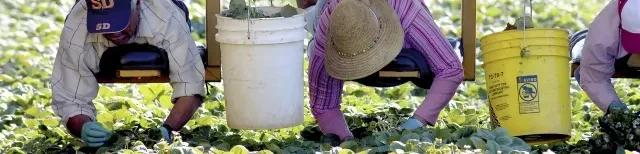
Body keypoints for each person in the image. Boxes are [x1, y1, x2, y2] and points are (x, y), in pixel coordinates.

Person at [304, 0, 463, 142]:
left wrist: (417, 122)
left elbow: (450, 69)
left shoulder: (408, 12)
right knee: (309, 16)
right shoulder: (328, 29)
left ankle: (448, 43)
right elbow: (323, 105)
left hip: (405, 26)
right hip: (322, 10)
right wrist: (346, 140)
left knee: (436, 49)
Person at [51, 0, 204, 147]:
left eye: (119, 22)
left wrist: (168, 130)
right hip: (98, 49)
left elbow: (190, 85)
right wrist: (83, 127)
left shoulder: (168, 16)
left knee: (186, 56)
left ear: (137, 4)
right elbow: (70, 99)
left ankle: (193, 48)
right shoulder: (77, 25)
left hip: (163, 27)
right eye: (104, 25)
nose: (114, 33)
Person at [574, 0, 640, 115]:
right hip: (616, 53)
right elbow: (594, 78)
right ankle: (580, 38)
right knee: (583, 57)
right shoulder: (603, 33)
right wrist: (612, 105)